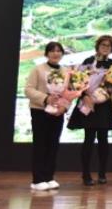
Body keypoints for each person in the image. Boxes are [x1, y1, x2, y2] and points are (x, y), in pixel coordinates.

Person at [67, 35, 112, 186]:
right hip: (88, 104)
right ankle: (86, 174)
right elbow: (77, 81)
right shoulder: (88, 61)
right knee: (88, 139)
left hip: (105, 105)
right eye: (103, 45)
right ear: (97, 46)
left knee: (104, 139)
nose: (105, 48)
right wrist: (85, 96)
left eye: (108, 46)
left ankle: (102, 174)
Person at [24, 42, 68, 191]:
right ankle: (37, 179)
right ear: (47, 53)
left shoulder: (66, 71)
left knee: (53, 145)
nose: (55, 53)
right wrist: (46, 98)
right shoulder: (38, 69)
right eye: (52, 51)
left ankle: (49, 177)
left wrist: (64, 107)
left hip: (58, 112)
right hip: (40, 111)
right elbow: (28, 90)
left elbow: (69, 93)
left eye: (58, 51)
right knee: (40, 145)